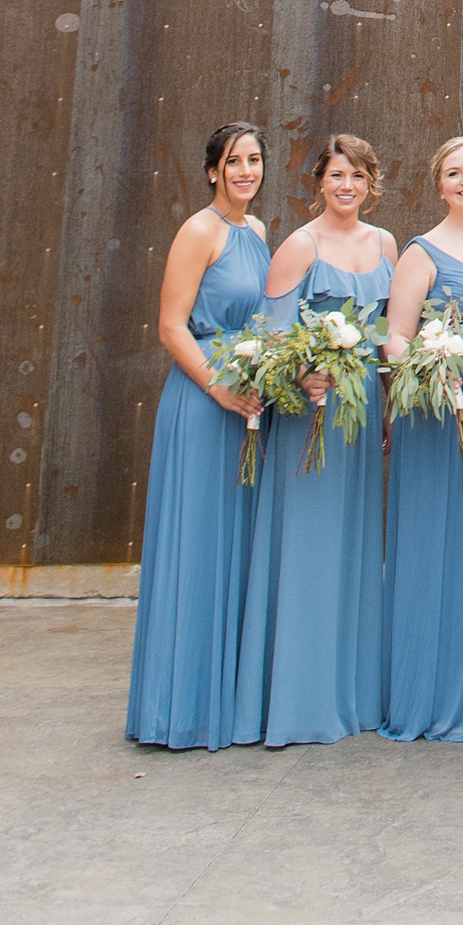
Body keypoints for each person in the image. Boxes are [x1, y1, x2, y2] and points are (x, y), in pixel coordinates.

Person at [232, 135, 394, 747]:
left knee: (354, 547)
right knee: (307, 547)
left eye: (356, 175)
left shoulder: (384, 245)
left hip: (361, 409)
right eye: (335, 175)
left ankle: (349, 696)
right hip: (310, 408)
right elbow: (271, 335)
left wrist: (386, 409)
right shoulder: (299, 246)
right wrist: (302, 372)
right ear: (319, 183)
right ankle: (297, 701)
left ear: (369, 182)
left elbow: (384, 337)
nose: (345, 185)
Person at [125, 123, 270, 751]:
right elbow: (170, 326)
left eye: (254, 160)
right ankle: (178, 709)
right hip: (204, 399)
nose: (245, 171)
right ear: (212, 170)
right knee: (197, 542)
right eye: (233, 162)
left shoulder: (258, 232)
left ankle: (228, 701)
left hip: (249, 404)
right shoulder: (199, 230)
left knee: (235, 545)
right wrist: (218, 387)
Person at [381, 136, 463, 744]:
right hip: (440, 416)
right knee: (436, 546)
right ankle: (427, 691)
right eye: (453, 174)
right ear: (440, 185)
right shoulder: (421, 253)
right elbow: (396, 338)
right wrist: (430, 367)